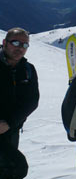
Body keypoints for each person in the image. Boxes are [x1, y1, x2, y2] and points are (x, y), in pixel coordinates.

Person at [0, 28, 40, 178]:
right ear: (5, 43)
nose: (20, 48)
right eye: (16, 42)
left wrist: (9, 123)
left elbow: (32, 101)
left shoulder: (28, 70)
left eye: (24, 45)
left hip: (11, 129)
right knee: (16, 167)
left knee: (12, 169)